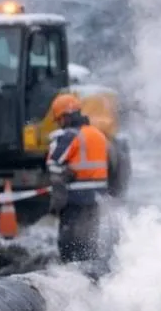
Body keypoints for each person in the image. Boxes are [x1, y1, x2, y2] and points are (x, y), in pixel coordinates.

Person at [47, 94, 112, 264]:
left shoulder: (68, 136)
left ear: (64, 117)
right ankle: (90, 277)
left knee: (69, 243)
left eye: (59, 119)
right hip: (97, 198)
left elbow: (54, 164)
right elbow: (111, 166)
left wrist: (65, 175)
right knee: (89, 241)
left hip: (75, 199)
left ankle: (71, 278)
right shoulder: (98, 135)